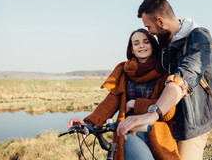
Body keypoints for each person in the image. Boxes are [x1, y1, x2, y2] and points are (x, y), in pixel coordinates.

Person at [117, 0, 212, 160]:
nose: (149, 32)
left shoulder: (199, 38)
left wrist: (153, 112)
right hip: (168, 121)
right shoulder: (165, 42)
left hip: (192, 125)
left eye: (149, 27)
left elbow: (183, 78)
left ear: (161, 22)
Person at [68, 28, 180, 160]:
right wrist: (87, 123)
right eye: (136, 43)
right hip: (129, 132)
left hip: (158, 135)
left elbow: (168, 112)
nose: (141, 46)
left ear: (152, 45)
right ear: (132, 49)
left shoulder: (164, 72)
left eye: (146, 42)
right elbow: (109, 103)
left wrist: (135, 104)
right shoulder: (124, 73)